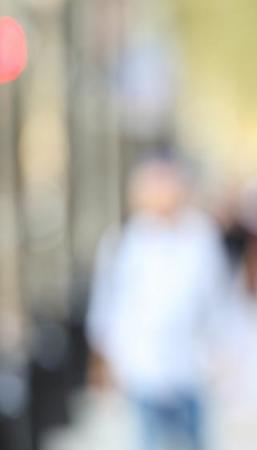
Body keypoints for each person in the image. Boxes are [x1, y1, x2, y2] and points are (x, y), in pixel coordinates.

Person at [86, 156, 229, 450]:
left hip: (192, 365)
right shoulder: (123, 241)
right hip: (141, 366)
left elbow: (218, 299)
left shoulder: (200, 235)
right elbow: (107, 303)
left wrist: (226, 352)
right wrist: (103, 359)